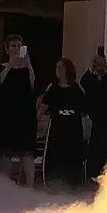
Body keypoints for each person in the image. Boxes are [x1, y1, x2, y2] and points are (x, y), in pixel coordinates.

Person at [0, 35, 38, 184]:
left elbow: (33, 85)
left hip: (25, 114)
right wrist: (10, 65)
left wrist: (28, 65)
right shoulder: (0, 67)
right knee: (6, 151)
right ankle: (5, 187)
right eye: (13, 46)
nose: (16, 49)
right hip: (5, 114)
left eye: (19, 46)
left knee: (26, 152)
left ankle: (29, 187)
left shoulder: (27, 68)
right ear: (7, 49)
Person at [40, 58, 88, 188]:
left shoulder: (76, 89)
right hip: (57, 128)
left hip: (73, 129)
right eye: (56, 67)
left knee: (72, 157)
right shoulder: (53, 88)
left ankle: (72, 183)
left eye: (60, 67)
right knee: (55, 155)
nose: (58, 70)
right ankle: (53, 182)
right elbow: (43, 106)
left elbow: (84, 110)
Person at [80, 51, 107, 178]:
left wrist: (106, 70)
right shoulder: (90, 78)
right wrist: (91, 70)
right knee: (92, 146)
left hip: (104, 117)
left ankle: (101, 172)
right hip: (91, 114)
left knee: (102, 144)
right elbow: (83, 82)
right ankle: (91, 173)